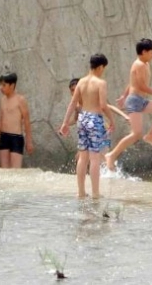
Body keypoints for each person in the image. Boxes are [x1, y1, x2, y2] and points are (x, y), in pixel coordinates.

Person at [106, 38, 152, 171]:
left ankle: (150, 135)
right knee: (136, 134)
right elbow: (141, 86)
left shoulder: (144, 63)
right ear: (144, 52)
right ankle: (111, 155)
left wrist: (123, 96)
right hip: (135, 101)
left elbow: (132, 82)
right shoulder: (139, 65)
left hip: (140, 100)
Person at [59, 53, 116, 199]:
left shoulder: (81, 82)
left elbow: (73, 103)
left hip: (82, 119)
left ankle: (81, 192)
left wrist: (65, 123)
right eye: (104, 68)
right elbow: (103, 105)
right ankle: (95, 193)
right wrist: (112, 120)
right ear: (101, 67)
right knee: (94, 158)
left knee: (83, 158)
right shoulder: (100, 83)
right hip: (95, 119)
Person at [67, 77, 129, 165]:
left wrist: (125, 116)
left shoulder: (90, 100)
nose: (74, 92)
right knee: (80, 157)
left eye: (76, 89)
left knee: (100, 159)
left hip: (101, 131)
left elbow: (109, 107)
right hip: (89, 134)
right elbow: (75, 119)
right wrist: (65, 124)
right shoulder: (76, 105)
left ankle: (112, 171)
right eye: (72, 90)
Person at [0, 72, 34, 168]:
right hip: (4, 137)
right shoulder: (2, 100)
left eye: (4, 85)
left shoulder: (20, 100)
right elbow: (0, 121)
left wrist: (29, 141)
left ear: (12, 85)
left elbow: (27, 121)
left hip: (16, 138)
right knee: (4, 171)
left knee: (15, 171)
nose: (1, 88)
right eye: (0, 85)